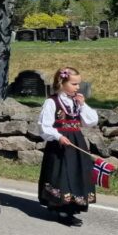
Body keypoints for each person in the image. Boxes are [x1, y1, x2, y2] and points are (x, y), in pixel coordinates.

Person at [38, 67, 99, 226]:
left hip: (76, 141)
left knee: (77, 172)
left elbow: (91, 121)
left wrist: (84, 105)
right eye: (74, 84)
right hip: (60, 144)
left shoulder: (76, 101)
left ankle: (72, 207)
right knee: (62, 175)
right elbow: (44, 126)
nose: (78, 87)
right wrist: (58, 136)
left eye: (79, 84)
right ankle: (61, 209)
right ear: (62, 83)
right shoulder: (52, 102)